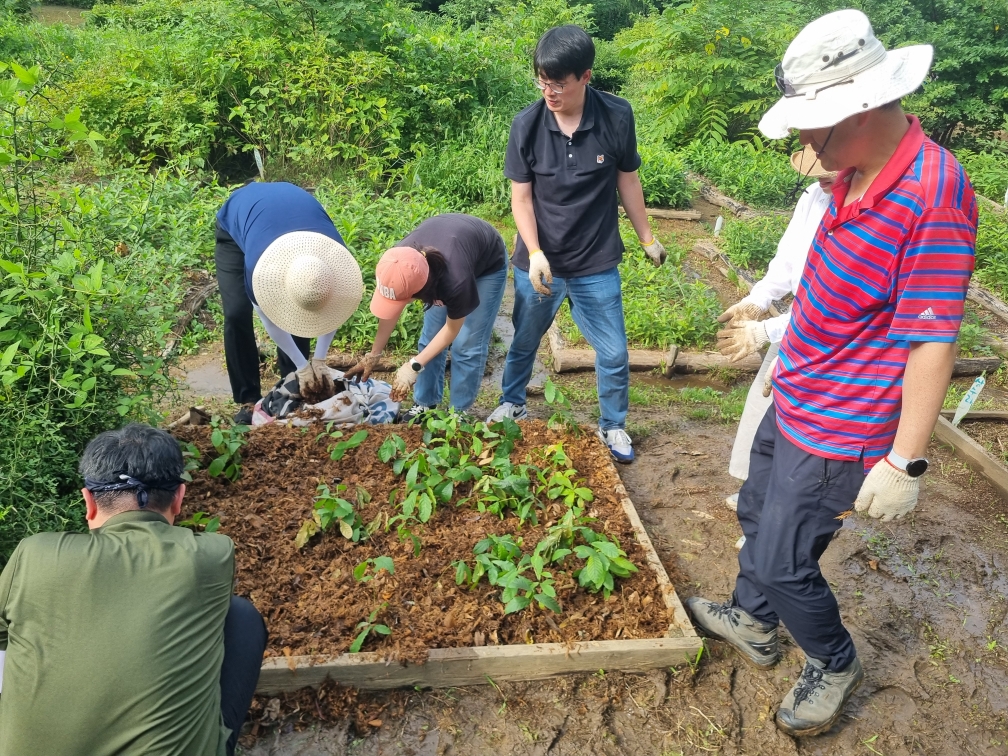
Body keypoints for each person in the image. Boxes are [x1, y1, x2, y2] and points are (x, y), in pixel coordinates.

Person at [685, 10, 977, 738]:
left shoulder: (933, 194)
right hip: (799, 390)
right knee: (757, 513)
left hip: (844, 423)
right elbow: (825, 283)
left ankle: (833, 660)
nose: (808, 144)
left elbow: (932, 336)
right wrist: (773, 336)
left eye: (818, 126)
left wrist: (905, 461)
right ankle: (752, 621)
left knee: (788, 562)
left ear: (867, 105)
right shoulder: (849, 175)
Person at [0, 423, 267, 756]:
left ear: (89, 501)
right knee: (241, 617)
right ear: (179, 498)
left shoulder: (35, 553)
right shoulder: (212, 555)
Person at [487, 24, 666, 463]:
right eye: (541, 81)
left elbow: (628, 179)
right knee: (525, 338)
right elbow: (521, 197)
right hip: (540, 261)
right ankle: (512, 401)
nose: (548, 91)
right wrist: (534, 252)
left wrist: (647, 237)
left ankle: (613, 425)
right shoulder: (526, 126)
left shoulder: (617, 116)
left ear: (585, 76)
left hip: (596, 260)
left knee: (614, 350)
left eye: (558, 83)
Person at [718, 145, 836, 512]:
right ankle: (756, 495)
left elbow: (833, 304)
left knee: (799, 431)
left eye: (828, 174)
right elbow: (787, 258)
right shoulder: (815, 195)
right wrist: (759, 298)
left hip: (829, 341)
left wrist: (764, 332)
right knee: (762, 408)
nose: (822, 180)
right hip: (795, 323)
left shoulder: (864, 212)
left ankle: (777, 513)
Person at [215, 182, 364, 423]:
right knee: (236, 313)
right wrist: (303, 366)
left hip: (293, 215)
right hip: (239, 219)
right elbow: (270, 321)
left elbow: (334, 306)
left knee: (305, 305)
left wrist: (320, 360)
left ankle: (291, 387)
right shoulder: (261, 271)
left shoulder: (337, 260)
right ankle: (248, 399)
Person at [345, 214, 508, 417]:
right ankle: (425, 404)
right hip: (448, 251)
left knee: (467, 345)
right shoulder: (396, 262)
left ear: (419, 291)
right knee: (429, 337)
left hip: (487, 264)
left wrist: (413, 366)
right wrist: (374, 354)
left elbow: (452, 330)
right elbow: (391, 309)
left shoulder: (455, 282)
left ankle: (458, 413)